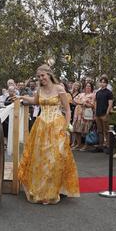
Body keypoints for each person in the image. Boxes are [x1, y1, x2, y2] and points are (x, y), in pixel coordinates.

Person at [17, 64, 80, 204]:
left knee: (55, 157)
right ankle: (42, 190)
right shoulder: (40, 89)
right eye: (39, 76)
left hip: (57, 125)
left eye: (43, 75)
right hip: (41, 126)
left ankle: (54, 190)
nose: (41, 78)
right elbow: (35, 101)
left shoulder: (59, 88)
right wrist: (21, 97)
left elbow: (68, 110)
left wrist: (66, 126)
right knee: (41, 158)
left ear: (49, 74)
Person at [93, 76, 114, 153]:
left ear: (106, 83)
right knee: (100, 131)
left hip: (104, 114)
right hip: (98, 114)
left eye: (104, 82)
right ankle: (100, 146)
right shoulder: (98, 92)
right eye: (101, 82)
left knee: (106, 131)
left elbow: (110, 104)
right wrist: (95, 113)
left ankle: (108, 146)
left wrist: (107, 114)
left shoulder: (109, 93)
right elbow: (95, 102)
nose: (102, 83)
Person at [73, 81, 96, 151]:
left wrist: (85, 104)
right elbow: (74, 100)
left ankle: (86, 145)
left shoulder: (93, 95)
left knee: (86, 130)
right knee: (76, 129)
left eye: (89, 86)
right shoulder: (81, 94)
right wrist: (82, 103)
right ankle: (78, 144)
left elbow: (93, 105)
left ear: (91, 87)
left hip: (87, 113)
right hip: (78, 114)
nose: (88, 87)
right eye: (86, 86)